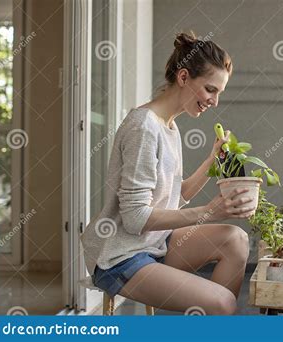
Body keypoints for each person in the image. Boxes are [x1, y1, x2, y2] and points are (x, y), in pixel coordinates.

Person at [80, 32, 255, 315]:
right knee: (222, 303)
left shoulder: (170, 126)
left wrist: (212, 162)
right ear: (184, 77)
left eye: (219, 93)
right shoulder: (144, 127)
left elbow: (176, 195)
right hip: (122, 257)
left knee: (236, 240)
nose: (215, 101)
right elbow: (136, 217)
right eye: (211, 89)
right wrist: (210, 211)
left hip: (155, 243)